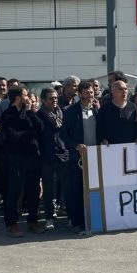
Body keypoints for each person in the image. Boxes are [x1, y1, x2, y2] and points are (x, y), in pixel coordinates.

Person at [0, 86, 44, 237]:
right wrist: (29, 134)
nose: (28, 97)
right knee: (14, 192)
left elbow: (39, 128)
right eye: (25, 95)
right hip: (16, 158)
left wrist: (31, 112)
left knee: (34, 191)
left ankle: (33, 221)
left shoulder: (28, 113)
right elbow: (13, 136)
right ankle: (11, 224)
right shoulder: (7, 115)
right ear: (17, 97)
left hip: (33, 157)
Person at [61, 80, 98, 234]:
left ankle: (93, 220)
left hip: (95, 157)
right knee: (77, 192)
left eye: (92, 93)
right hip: (78, 159)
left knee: (93, 190)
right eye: (87, 93)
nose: (90, 96)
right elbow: (63, 134)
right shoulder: (71, 111)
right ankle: (78, 222)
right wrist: (76, 145)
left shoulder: (96, 110)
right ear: (80, 94)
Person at [36, 87, 68, 230]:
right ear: (43, 100)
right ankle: (49, 217)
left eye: (56, 98)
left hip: (63, 155)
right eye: (51, 98)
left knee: (67, 186)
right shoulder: (38, 116)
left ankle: (70, 216)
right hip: (47, 158)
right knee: (48, 189)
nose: (54, 100)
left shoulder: (61, 113)